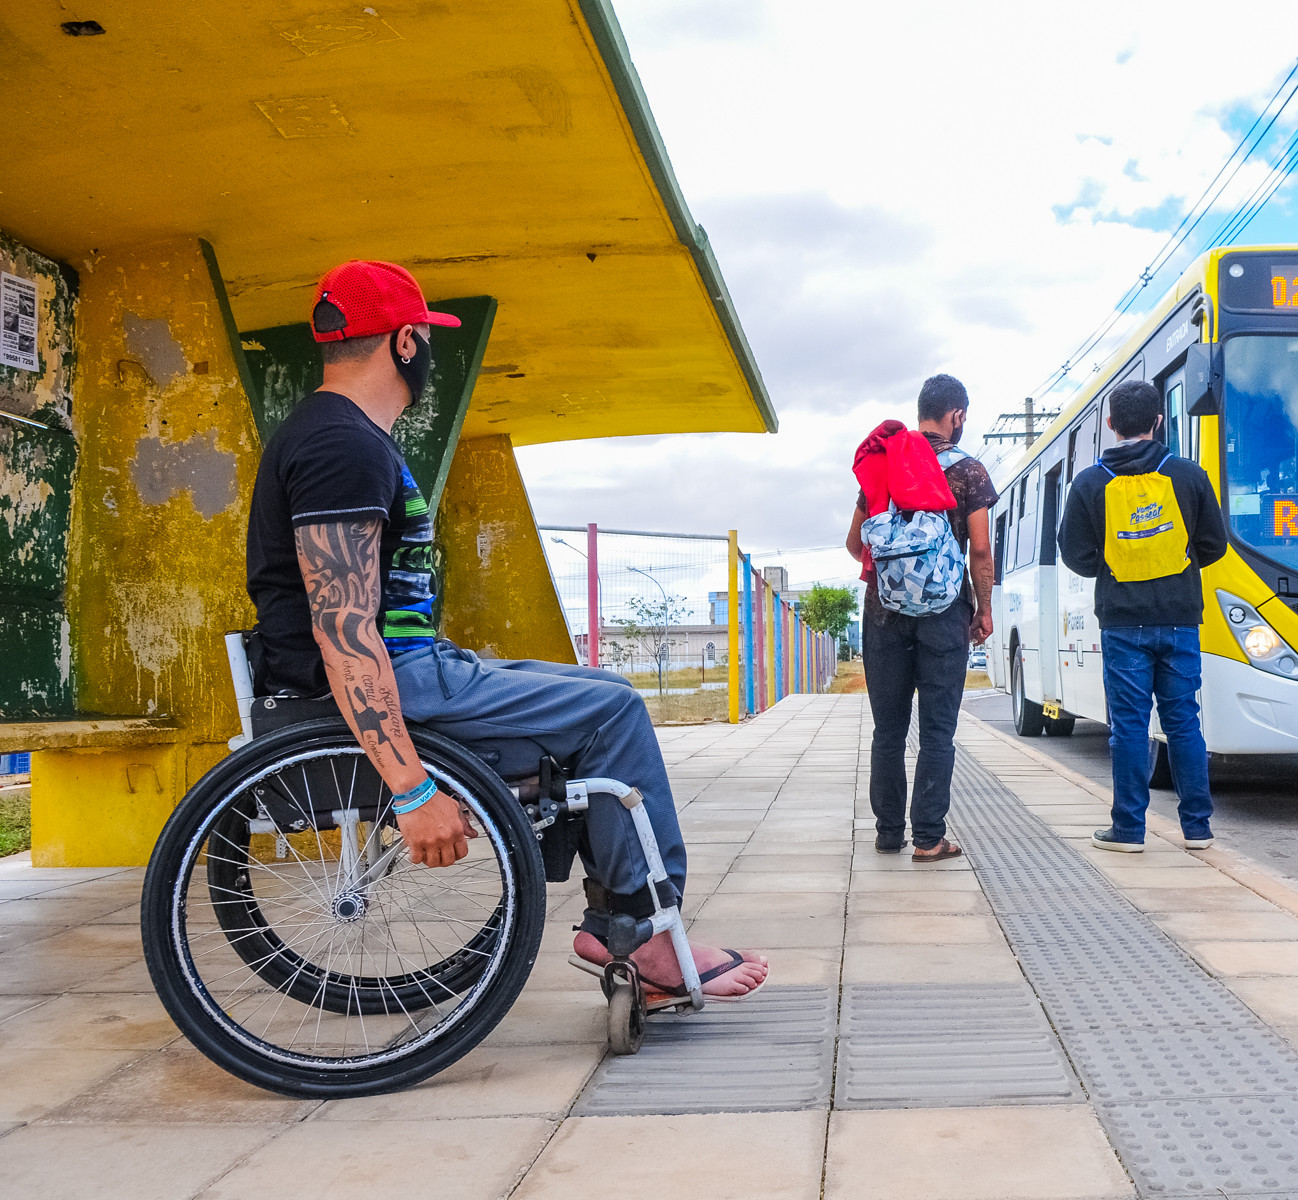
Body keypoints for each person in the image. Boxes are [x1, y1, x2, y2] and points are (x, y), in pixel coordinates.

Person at [245, 258, 766, 1002]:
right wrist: (412, 785)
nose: (428, 352)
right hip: (399, 677)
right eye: (425, 337)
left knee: (603, 691)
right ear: (402, 343)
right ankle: (642, 934)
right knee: (613, 711)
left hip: (417, 663)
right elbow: (345, 632)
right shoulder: (343, 447)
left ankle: (625, 921)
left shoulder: (337, 434)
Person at [1057, 379, 1228, 852]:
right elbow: (1215, 545)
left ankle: (1129, 830)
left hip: (1122, 621)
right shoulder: (1189, 475)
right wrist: (1178, 567)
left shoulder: (1090, 482)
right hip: (1179, 619)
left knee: (1130, 726)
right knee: (1183, 722)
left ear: (1110, 424)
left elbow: (1073, 553)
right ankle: (1197, 829)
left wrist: (1113, 568)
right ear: (1158, 421)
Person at [844, 374, 997, 861]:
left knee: (888, 729)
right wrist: (984, 610)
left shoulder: (885, 465)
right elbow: (981, 551)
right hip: (945, 614)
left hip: (884, 614)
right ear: (956, 416)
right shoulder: (969, 472)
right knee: (936, 730)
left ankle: (889, 833)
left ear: (920, 412)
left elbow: (855, 545)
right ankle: (929, 838)